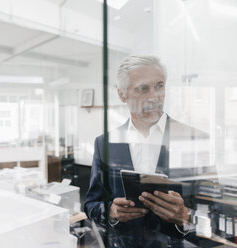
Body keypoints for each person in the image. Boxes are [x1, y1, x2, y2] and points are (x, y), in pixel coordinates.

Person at [84, 55, 208, 247]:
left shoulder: (195, 141)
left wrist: (186, 217)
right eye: (143, 88)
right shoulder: (105, 144)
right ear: (122, 94)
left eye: (159, 86)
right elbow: (91, 204)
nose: (154, 96)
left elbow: (215, 214)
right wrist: (110, 212)